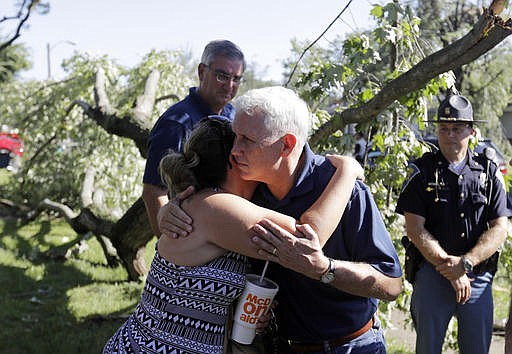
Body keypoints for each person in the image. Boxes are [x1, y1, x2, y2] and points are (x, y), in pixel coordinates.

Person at [161, 86, 403, 353]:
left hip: (352, 346)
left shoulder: (346, 193)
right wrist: (169, 210)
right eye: (235, 137)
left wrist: (327, 269)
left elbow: (391, 285)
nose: (234, 149)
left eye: (246, 140)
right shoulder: (248, 194)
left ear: (286, 144)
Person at [103, 117, 364, 353]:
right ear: (234, 160)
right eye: (245, 148)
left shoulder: (205, 203)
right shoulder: (218, 208)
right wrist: (347, 172)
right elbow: (307, 239)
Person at [396, 94, 512, 354]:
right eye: (444, 129)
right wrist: (448, 266)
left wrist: (465, 264)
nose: (449, 135)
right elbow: (414, 228)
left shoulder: (489, 172)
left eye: (457, 129)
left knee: (477, 349)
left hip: (476, 274)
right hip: (432, 272)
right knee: (428, 348)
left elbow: (499, 228)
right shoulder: (421, 171)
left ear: (471, 131)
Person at [142, 39, 246, 236]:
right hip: (190, 233)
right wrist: (168, 247)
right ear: (201, 71)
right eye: (222, 76)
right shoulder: (177, 122)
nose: (229, 85)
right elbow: (153, 191)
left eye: (237, 78)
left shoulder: (235, 118)